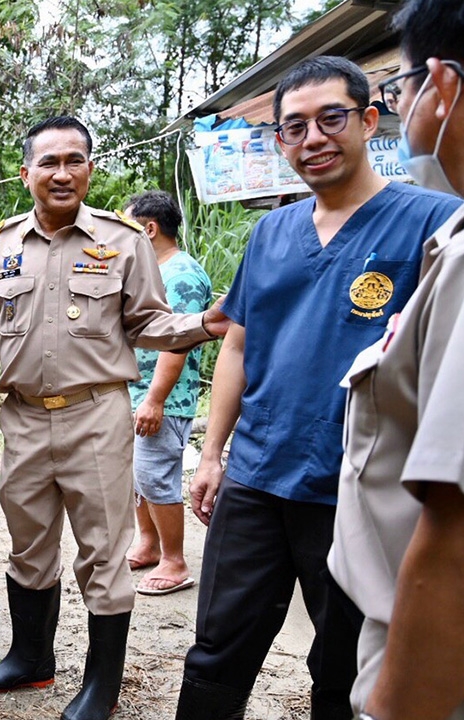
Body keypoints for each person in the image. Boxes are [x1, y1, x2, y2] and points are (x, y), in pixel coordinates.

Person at [175, 55, 463, 719]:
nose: (312, 139)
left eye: (332, 118)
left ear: (368, 120)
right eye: (293, 127)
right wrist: (214, 453)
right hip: (256, 476)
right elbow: (239, 342)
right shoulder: (272, 230)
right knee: (218, 647)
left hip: (356, 486)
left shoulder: (433, 222)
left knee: (341, 664)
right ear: (279, 141)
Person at [0, 116, 228, 720]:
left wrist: (204, 323)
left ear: (90, 169)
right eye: (48, 162)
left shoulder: (123, 241)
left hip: (97, 417)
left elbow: (149, 324)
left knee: (104, 553)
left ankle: (101, 686)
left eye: (74, 160)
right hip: (21, 420)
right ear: (26, 174)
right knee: (28, 545)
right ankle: (31, 659)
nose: (61, 172)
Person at [329, 2, 464, 718]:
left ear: (439, 85)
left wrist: (398, 704)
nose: (402, 104)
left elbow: (453, 529)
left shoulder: (447, 240)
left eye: (399, 87)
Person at [122, 191, 211, 596]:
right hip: (135, 393)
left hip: (163, 399)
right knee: (138, 476)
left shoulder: (183, 275)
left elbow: (179, 340)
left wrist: (155, 399)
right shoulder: (153, 271)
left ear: (150, 228)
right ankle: (149, 542)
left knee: (157, 478)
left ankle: (174, 561)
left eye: (129, 227)